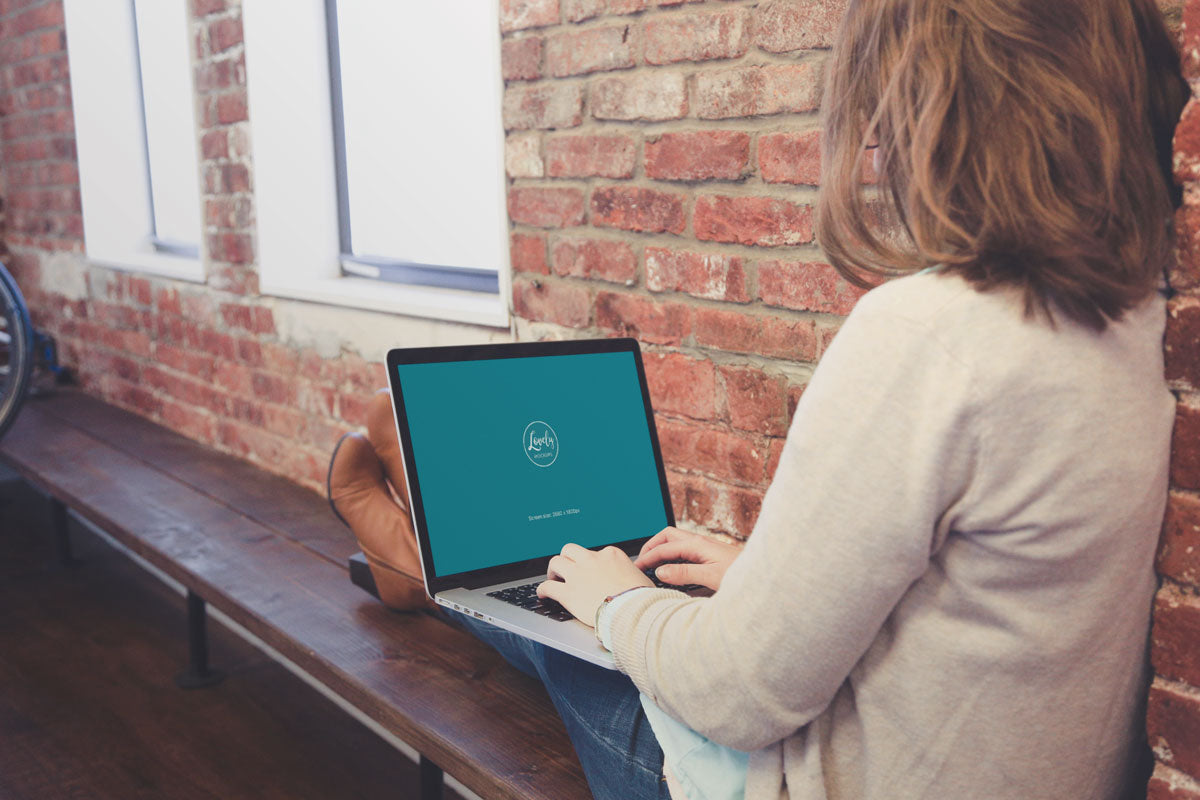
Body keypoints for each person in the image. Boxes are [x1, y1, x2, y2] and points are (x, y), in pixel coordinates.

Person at [328, 0, 1189, 797]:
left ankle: (418, 559)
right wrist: (767, 586)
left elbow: (739, 698)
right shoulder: (1149, 325)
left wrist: (622, 602)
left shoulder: (931, 335)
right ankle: (432, 556)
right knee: (603, 591)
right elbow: (987, 603)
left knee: (573, 625)